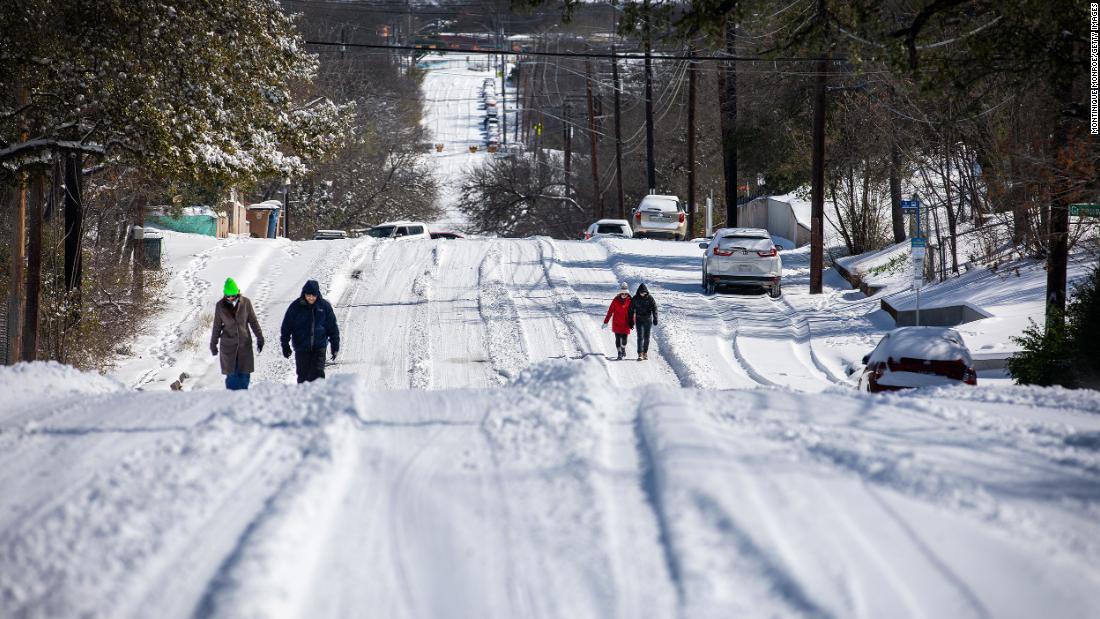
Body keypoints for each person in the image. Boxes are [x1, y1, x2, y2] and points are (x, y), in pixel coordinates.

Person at [280, 279, 340, 383]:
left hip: (319, 347)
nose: (311, 298)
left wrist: (335, 345)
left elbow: (332, 327)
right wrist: (285, 345)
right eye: (308, 295)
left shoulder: (324, 306)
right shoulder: (296, 307)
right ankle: (303, 398)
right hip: (301, 348)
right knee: (303, 376)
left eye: (313, 295)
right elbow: (286, 326)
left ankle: (318, 397)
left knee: (318, 374)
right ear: (304, 294)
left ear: (317, 295)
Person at [210, 277, 264, 390]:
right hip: (228, 348)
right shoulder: (220, 306)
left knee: (244, 378)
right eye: (227, 296)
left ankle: (243, 404)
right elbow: (216, 327)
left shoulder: (246, 303)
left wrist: (260, 338)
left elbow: (253, 321)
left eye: (233, 295)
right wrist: (213, 344)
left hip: (244, 346)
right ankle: (233, 403)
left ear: (237, 293)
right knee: (232, 380)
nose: (230, 298)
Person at [602, 282, 633, 360]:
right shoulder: (615, 300)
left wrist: (632, 322)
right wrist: (606, 322)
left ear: (627, 294)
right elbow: (610, 311)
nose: (624, 295)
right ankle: (619, 353)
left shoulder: (630, 301)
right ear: (620, 293)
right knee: (618, 338)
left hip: (626, 323)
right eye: (622, 294)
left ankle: (623, 348)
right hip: (617, 323)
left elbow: (632, 312)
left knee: (624, 340)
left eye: (625, 294)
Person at [628, 283, 658, 361]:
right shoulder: (635, 299)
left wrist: (655, 318)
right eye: (641, 292)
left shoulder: (650, 298)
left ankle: (645, 352)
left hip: (648, 320)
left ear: (646, 292)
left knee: (647, 337)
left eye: (644, 292)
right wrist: (630, 321)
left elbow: (654, 308)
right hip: (639, 319)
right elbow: (630, 310)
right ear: (638, 292)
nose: (642, 294)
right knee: (640, 337)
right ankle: (640, 353)